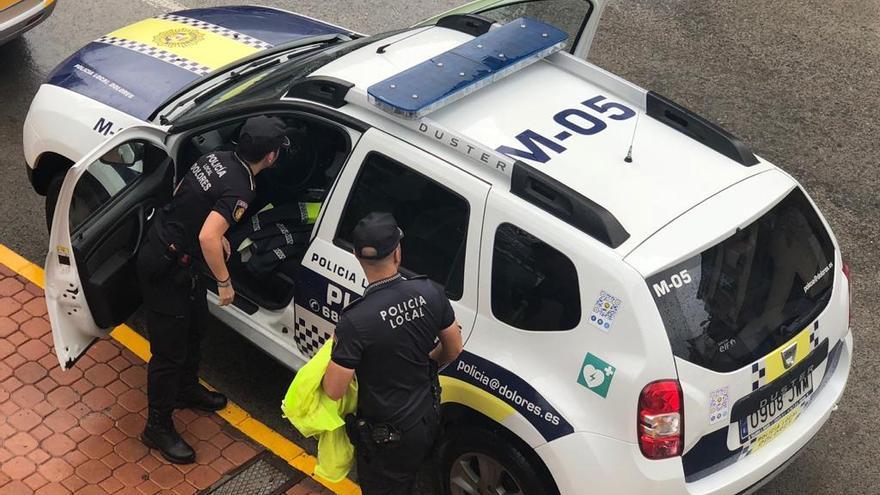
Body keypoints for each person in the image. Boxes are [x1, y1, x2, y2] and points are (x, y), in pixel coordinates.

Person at [136, 116, 289, 464]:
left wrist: (216, 237)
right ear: (270, 157)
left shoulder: (215, 157)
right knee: (168, 353)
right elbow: (207, 235)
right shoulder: (243, 188)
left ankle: (185, 391)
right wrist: (224, 280)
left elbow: (185, 195)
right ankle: (156, 427)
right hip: (166, 266)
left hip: (180, 259)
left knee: (195, 328)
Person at [322, 212, 464, 494]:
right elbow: (454, 347)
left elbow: (333, 390)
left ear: (356, 255)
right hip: (427, 417)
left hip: (387, 436)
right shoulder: (430, 292)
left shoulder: (355, 320)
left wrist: (333, 349)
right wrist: (431, 362)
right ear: (397, 253)